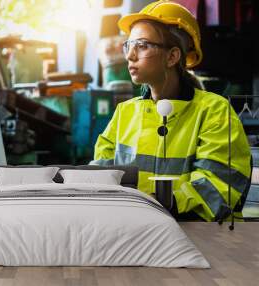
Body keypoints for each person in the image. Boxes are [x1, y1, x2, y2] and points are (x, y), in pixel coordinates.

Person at [91, 0, 251, 222]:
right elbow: (101, 174)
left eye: (142, 45)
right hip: (137, 231)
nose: (130, 56)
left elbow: (218, 186)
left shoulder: (214, 111)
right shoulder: (124, 112)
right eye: (129, 45)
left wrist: (155, 206)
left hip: (201, 240)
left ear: (172, 56)